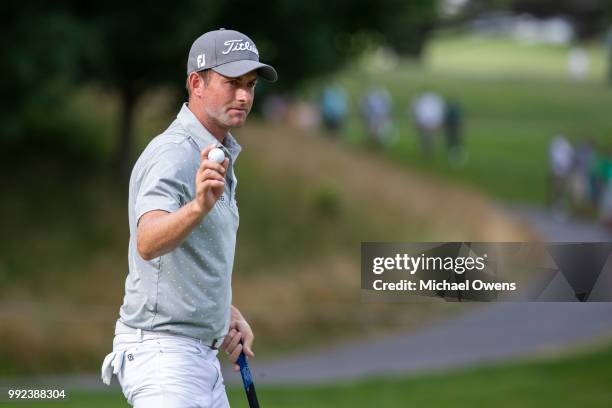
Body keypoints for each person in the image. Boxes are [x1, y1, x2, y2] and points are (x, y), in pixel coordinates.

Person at [100, 28, 277, 407]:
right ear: (197, 83)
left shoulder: (216, 152)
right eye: (232, 83)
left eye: (250, 85)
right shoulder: (175, 154)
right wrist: (198, 206)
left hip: (197, 358)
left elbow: (186, 259)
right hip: (164, 359)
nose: (244, 96)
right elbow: (147, 241)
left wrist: (222, 311)